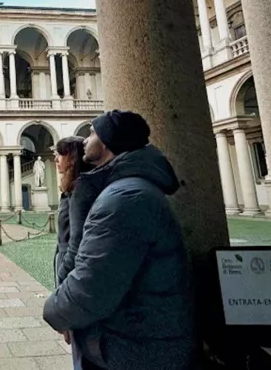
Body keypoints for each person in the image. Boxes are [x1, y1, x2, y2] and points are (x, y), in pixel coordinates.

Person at [43, 110, 195, 370]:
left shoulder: (124, 199)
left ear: (106, 142)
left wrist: (53, 312)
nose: (85, 140)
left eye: (91, 133)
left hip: (133, 347)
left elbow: (92, 284)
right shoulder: (128, 189)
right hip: (132, 338)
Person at [53, 136, 95, 369]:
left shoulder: (78, 191)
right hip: (69, 271)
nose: (56, 159)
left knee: (83, 346)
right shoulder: (72, 189)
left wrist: (62, 294)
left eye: (60, 154)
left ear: (71, 159)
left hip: (72, 275)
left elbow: (75, 244)